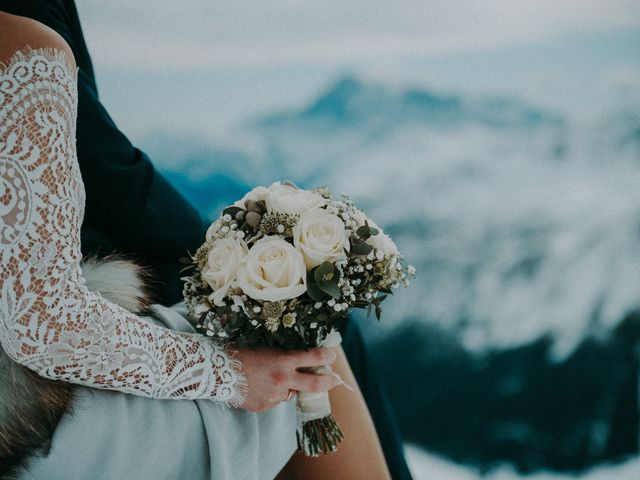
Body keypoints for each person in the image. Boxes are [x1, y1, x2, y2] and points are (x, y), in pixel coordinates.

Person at [0, 1, 412, 479]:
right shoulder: (23, 44)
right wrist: (232, 373)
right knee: (304, 361)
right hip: (27, 416)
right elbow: (44, 327)